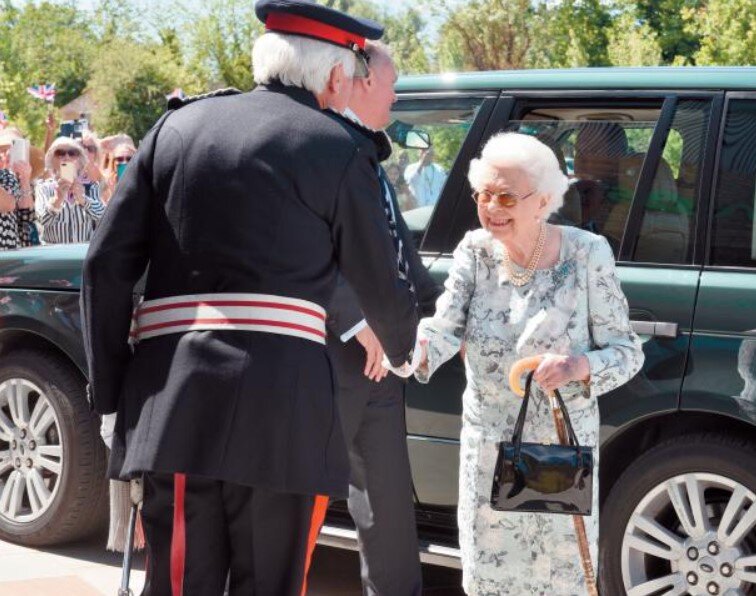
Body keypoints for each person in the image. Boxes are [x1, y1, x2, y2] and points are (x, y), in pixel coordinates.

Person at [80, 1, 418, 594]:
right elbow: (380, 283)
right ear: (337, 76)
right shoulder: (340, 148)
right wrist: (403, 345)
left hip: (176, 401)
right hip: (284, 413)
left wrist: (111, 393)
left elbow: (106, 267)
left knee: (182, 581)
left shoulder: (174, 130)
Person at [409, 132, 644, 594]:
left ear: (543, 201)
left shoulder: (585, 254)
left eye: (506, 196)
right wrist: (405, 352)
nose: (491, 207)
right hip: (488, 453)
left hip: (557, 453)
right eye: (484, 194)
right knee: (490, 579)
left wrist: (578, 366)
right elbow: (443, 329)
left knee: (557, 580)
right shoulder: (474, 252)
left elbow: (627, 352)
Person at [328, 41, 440, 596]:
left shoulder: (367, 152)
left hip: (385, 364)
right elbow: (303, 252)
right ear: (363, 82)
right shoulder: (323, 146)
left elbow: (399, 251)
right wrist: (353, 323)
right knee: (292, 509)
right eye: (393, 85)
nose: (397, 97)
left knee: (387, 508)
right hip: (331, 355)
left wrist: (437, 314)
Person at [35, 136, 105, 244]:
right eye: (60, 153)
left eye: (72, 153)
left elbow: (103, 217)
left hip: (83, 255)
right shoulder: (44, 188)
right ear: (52, 160)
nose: (66, 157)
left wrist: (83, 200)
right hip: (54, 256)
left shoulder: (91, 187)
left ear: (79, 160)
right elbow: (43, 220)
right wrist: (57, 200)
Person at [0, 128, 38, 248]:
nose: (7, 154)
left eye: (13, 148)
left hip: (12, 251)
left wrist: (25, 179)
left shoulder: (12, 178)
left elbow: (26, 217)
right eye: (3, 150)